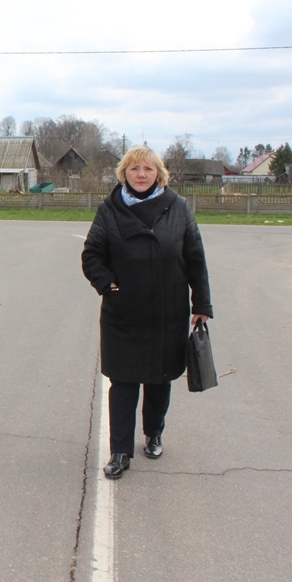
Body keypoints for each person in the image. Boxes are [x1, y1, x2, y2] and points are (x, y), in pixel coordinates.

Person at [81, 144, 213, 479]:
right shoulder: (109, 209)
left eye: (148, 169)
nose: (141, 175)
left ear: (159, 174)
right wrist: (107, 284)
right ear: (123, 173)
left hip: (166, 309)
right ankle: (120, 451)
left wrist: (201, 305)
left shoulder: (178, 208)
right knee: (123, 381)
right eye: (134, 168)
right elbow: (92, 253)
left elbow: (195, 257)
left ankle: (154, 432)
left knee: (159, 378)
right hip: (122, 309)